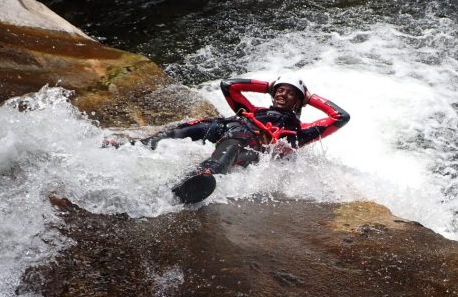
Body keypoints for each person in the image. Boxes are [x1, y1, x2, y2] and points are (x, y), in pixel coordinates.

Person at [140, 76, 350, 203]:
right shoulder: (250, 110)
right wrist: (269, 85)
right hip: (227, 126)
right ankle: (135, 145)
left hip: (247, 145)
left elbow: (340, 117)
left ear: (298, 101)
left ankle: (202, 176)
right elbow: (228, 85)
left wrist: (309, 97)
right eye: (279, 90)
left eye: (290, 93)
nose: (282, 94)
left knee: (232, 145)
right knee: (178, 132)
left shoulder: (299, 132)